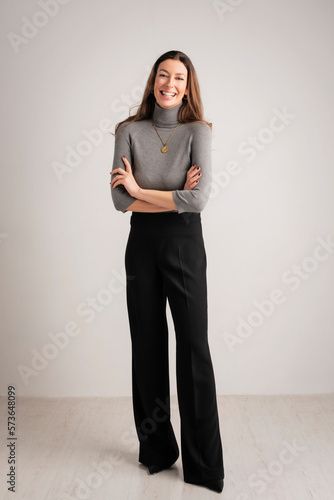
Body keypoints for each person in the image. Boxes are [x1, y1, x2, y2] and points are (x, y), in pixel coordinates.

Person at [110, 50, 225, 493]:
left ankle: (204, 466)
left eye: (179, 77)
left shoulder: (199, 131)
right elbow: (120, 204)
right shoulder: (129, 131)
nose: (169, 83)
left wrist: (140, 188)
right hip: (142, 245)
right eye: (163, 75)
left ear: (188, 84)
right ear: (153, 79)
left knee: (193, 348)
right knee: (148, 346)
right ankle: (156, 449)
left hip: (184, 242)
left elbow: (198, 203)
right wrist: (172, 192)